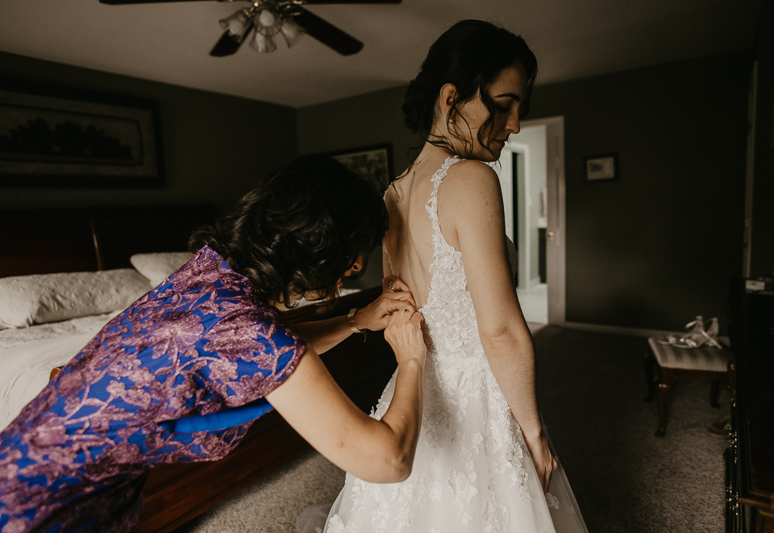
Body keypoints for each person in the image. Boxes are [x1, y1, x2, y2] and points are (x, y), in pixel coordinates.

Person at [0, 155, 428, 533]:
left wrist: (356, 320)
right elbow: (386, 460)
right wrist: (411, 358)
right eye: (356, 252)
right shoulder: (252, 332)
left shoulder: (209, 274)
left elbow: (265, 351)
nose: (356, 266)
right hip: (45, 510)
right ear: (321, 242)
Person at [323, 20, 588, 532]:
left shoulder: (393, 193)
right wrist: (534, 434)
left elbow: (397, 303)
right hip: (475, 392)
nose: (513, 125)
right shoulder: (472, 180)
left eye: (520, 111)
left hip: (413, 383)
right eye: (504, 104)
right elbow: (501, 329)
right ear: (452, 97)